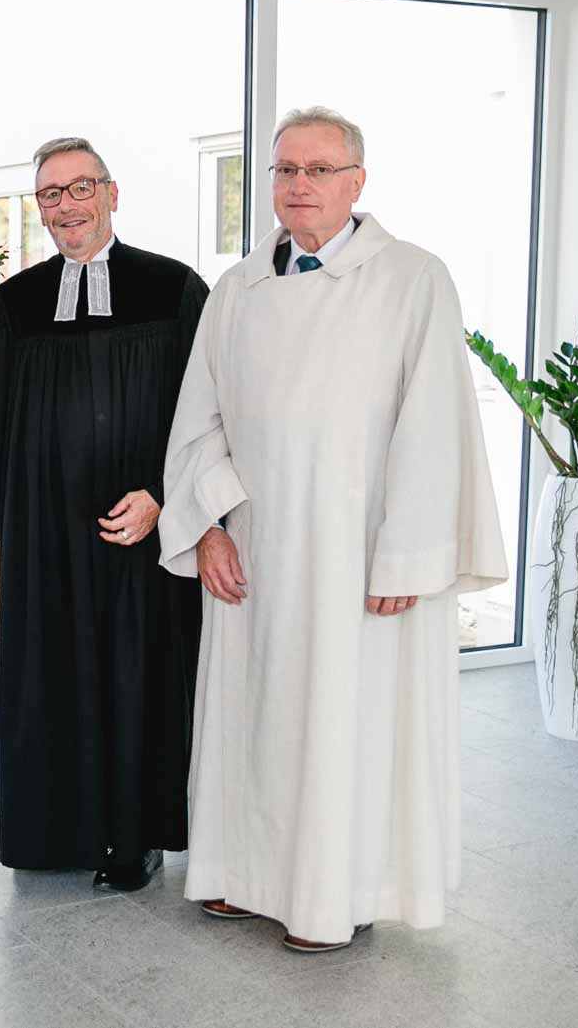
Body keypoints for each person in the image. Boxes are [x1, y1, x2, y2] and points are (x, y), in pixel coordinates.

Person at [159, 106, 508, 952]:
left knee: (341, 720)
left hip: (358, 556)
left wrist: (408, 555)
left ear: (357, 182)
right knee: (254, 714)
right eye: (285, 170)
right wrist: (206, 525)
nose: (299, 185)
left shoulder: (411, 279)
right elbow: (197, 418)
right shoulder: (237, 289)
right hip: (254, 549)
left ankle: (336, 894)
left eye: (319, 170)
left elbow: (434, 426)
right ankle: (243, 875)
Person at [0, 136, 206, 890]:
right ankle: (53, 832)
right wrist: (20, 512)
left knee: (137, 674)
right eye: (50, 194)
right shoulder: (14, 303)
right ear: (37, 207)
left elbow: (212, 411)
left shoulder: (173, 290)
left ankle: (134, 836)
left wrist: (167, 500)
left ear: (112, 193)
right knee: (53, 672)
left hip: (142, 523)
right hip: (48, 531)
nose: (66, 206)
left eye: (80, 188)